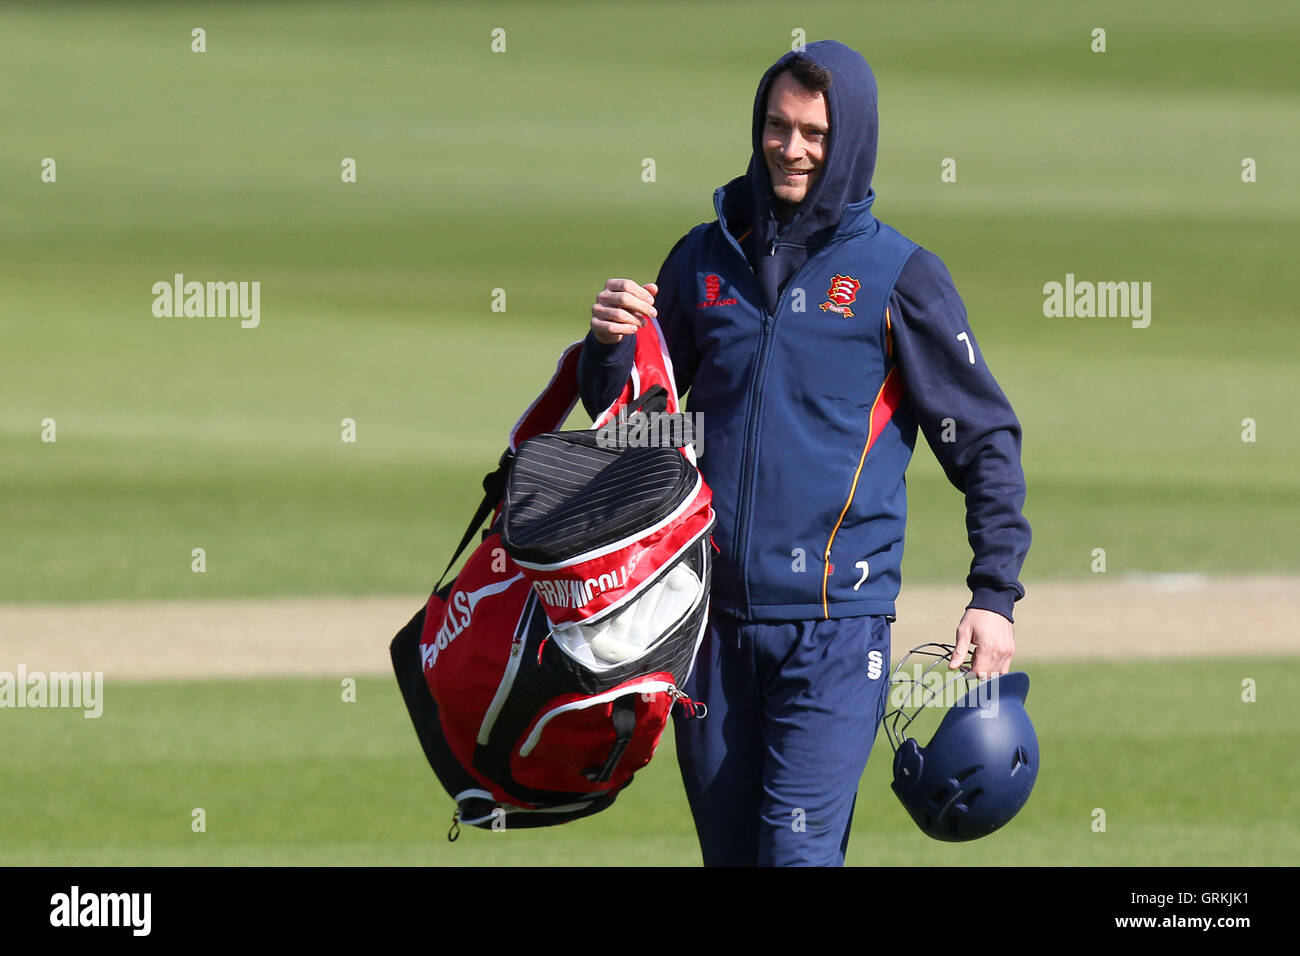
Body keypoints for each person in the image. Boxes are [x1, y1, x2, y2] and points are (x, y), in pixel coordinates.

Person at [576, 41, 1031, 866]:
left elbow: (984, 438)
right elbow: (633, 429)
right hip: (705, 627)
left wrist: (994, 593)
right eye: (778, 127)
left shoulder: (900, 277)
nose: (792, 148)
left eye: (815, 133)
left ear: (850, 139)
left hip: (834, 632)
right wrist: (607, 351)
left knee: (797, 859)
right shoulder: (701, 261)